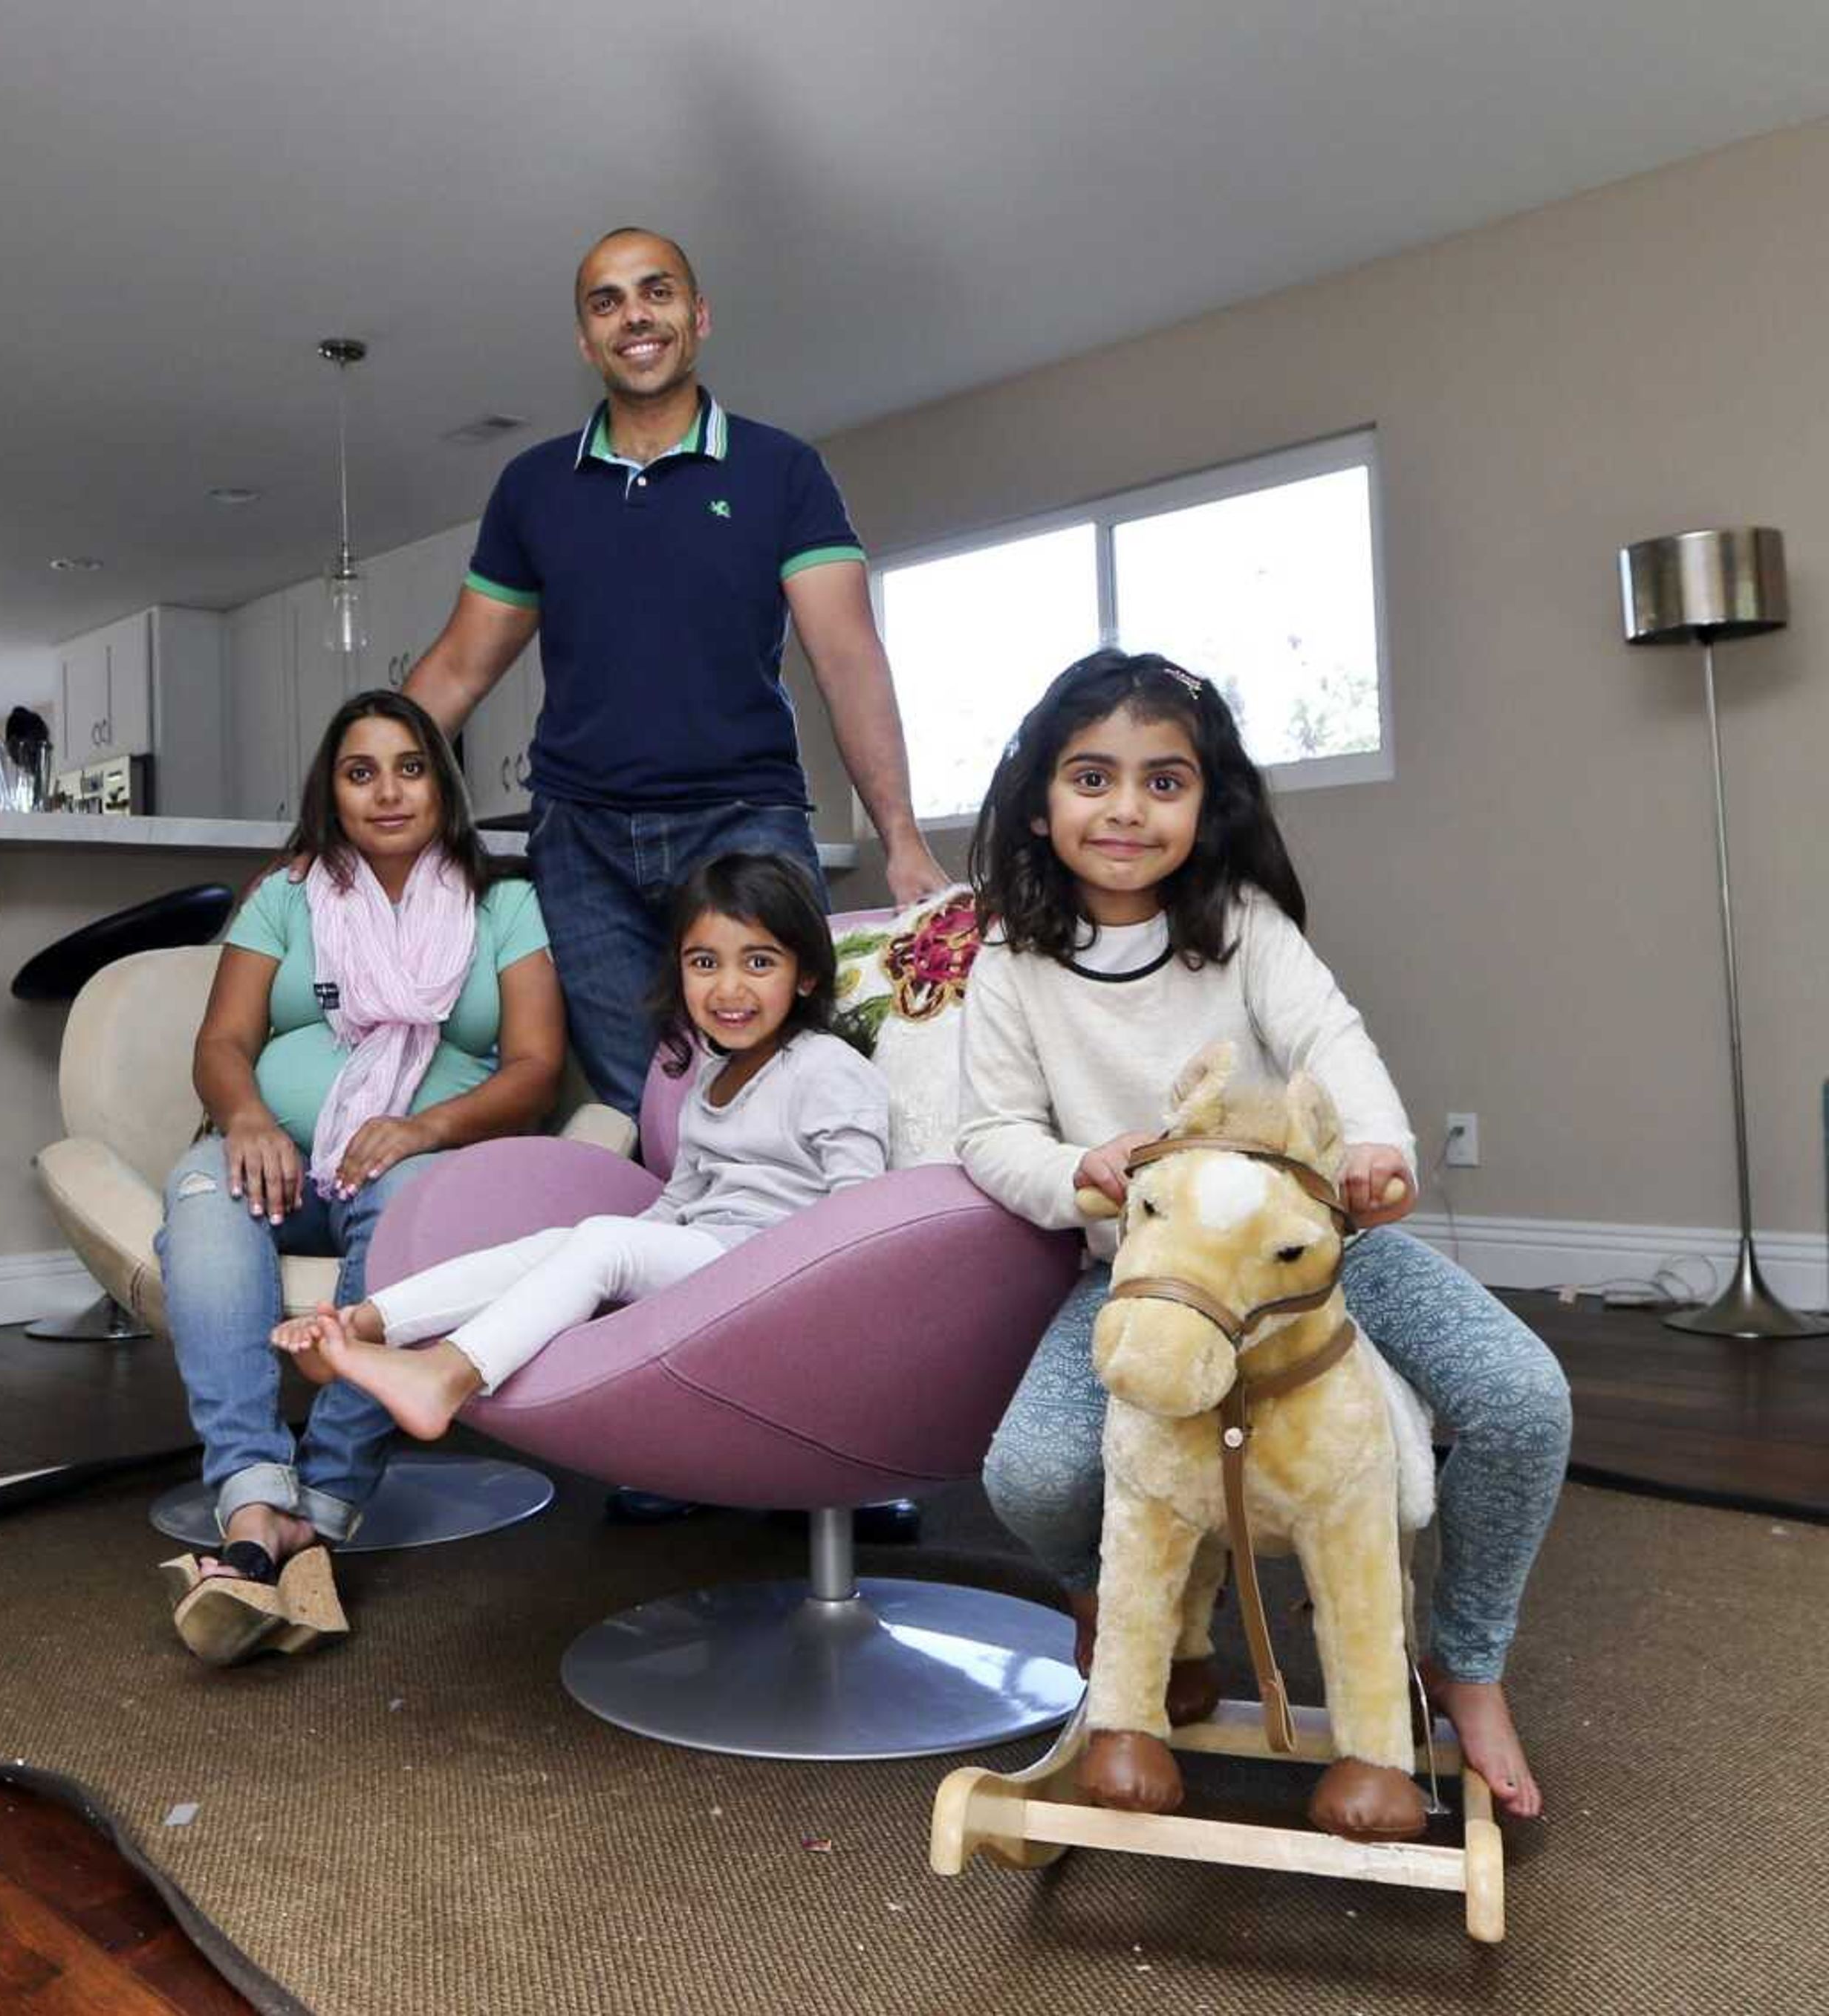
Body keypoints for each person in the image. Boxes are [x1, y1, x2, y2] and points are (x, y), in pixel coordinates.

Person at [955, 647, 1573, 1818]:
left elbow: (1334, 1041)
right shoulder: (1011, 960)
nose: (1126, 807)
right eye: (1092, 777)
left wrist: (1376, 1151)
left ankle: (1466, 1659)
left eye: (1163, 781)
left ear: (1208, 803)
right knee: (1033, 1472)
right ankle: (1124, 1610)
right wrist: (1073, 1169)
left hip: (1309, 1264)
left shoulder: (1242, 926)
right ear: (1040, 800)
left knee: (1521, 1397)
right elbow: (989, 1130)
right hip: (1149, 1281)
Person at [401, 224, 949, 1122]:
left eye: (655, 292)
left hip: (745, 821)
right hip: (582, 845)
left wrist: (901, 835)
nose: (634, 316)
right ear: (587, 340)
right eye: (606, 301)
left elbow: (847, 659)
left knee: (789, 1082)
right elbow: (459, 668)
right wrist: (340, 800)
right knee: (651, 1108)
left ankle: (790, 1263)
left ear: (698, 315)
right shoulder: (532, 487)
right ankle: (687, 1262)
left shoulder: (783, 471)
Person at [156, 691, 567, 1665]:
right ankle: (254, 1498)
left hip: (416, 1167)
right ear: (331, 792)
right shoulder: (286, 897)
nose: (387, 790)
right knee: (207, 1186)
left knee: (406, 1196)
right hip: (282, 1166)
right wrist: (250, 1117)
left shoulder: (504, 902)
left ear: (443, 783)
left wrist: (423, 1126)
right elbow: (222, 1039)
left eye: (409, 766)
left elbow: (536, 1069)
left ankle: (317, 1510)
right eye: (360, 770)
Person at [273, 851, 888, 1438]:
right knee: (567, 1242)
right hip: (710, 1256)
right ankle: (368, 1323)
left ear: (805, 974)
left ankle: (446, 1375)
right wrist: (621, 1265)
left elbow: (860, 1216)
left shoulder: (826, 1069)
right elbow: (682, 1199)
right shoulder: (710, 1075)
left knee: (600, 1243)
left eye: (758, 963)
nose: (728, 988)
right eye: (705, 963)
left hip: (775, 1273)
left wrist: (618, 1252)